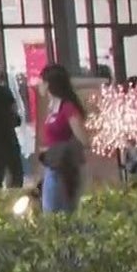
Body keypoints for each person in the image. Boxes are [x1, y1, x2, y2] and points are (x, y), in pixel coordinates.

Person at [38, 64, 88, 213]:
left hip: (65, 168)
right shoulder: (52, 107)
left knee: (59, 212)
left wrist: (60, 148)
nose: (39, 85)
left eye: (41, 81)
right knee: (51, 211)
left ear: (48, 84)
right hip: (52, 165)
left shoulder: (68, 108)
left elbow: (84, 139)